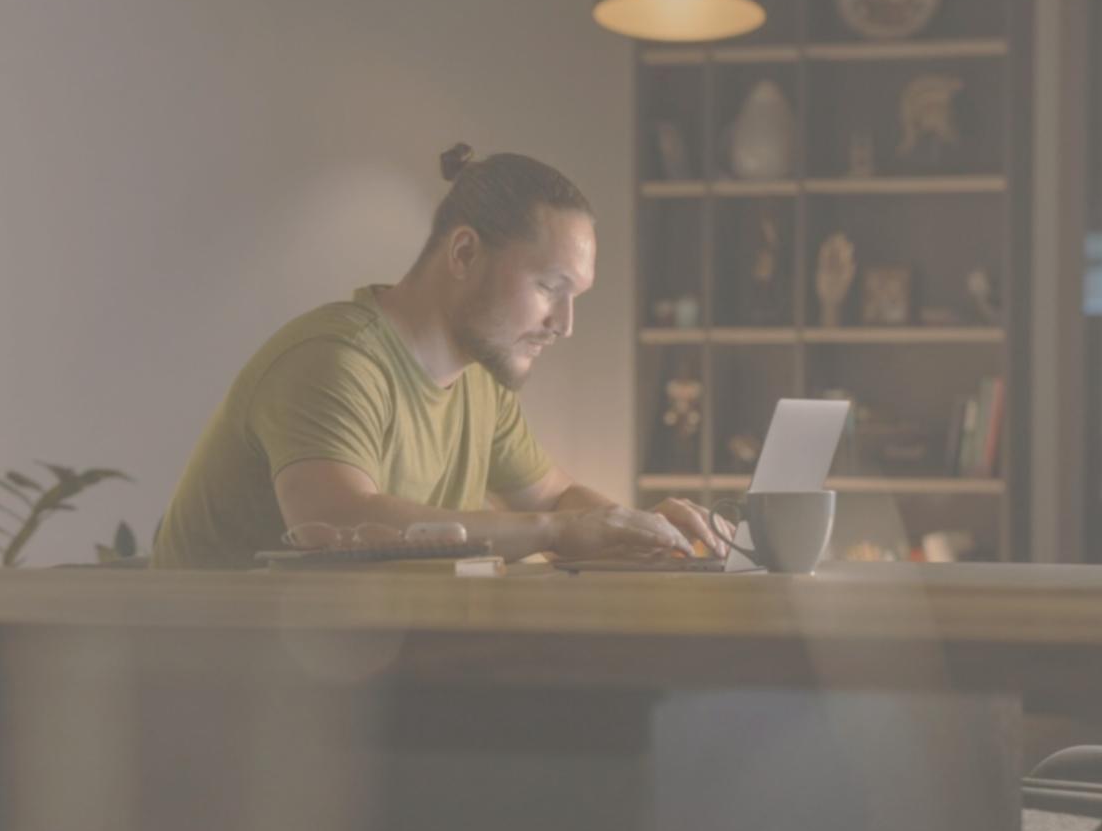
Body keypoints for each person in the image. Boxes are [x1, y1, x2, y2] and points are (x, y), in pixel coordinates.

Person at [152, 143, 726, 569]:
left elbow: (555, 498)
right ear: (464, 252)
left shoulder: (480, 383)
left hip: (332, 678)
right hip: (209, 682)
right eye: (551, 288)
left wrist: (651, 535)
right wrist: (560, 530)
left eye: (574, 297)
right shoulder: (335, 361)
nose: (564, 324)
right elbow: (335, 525)